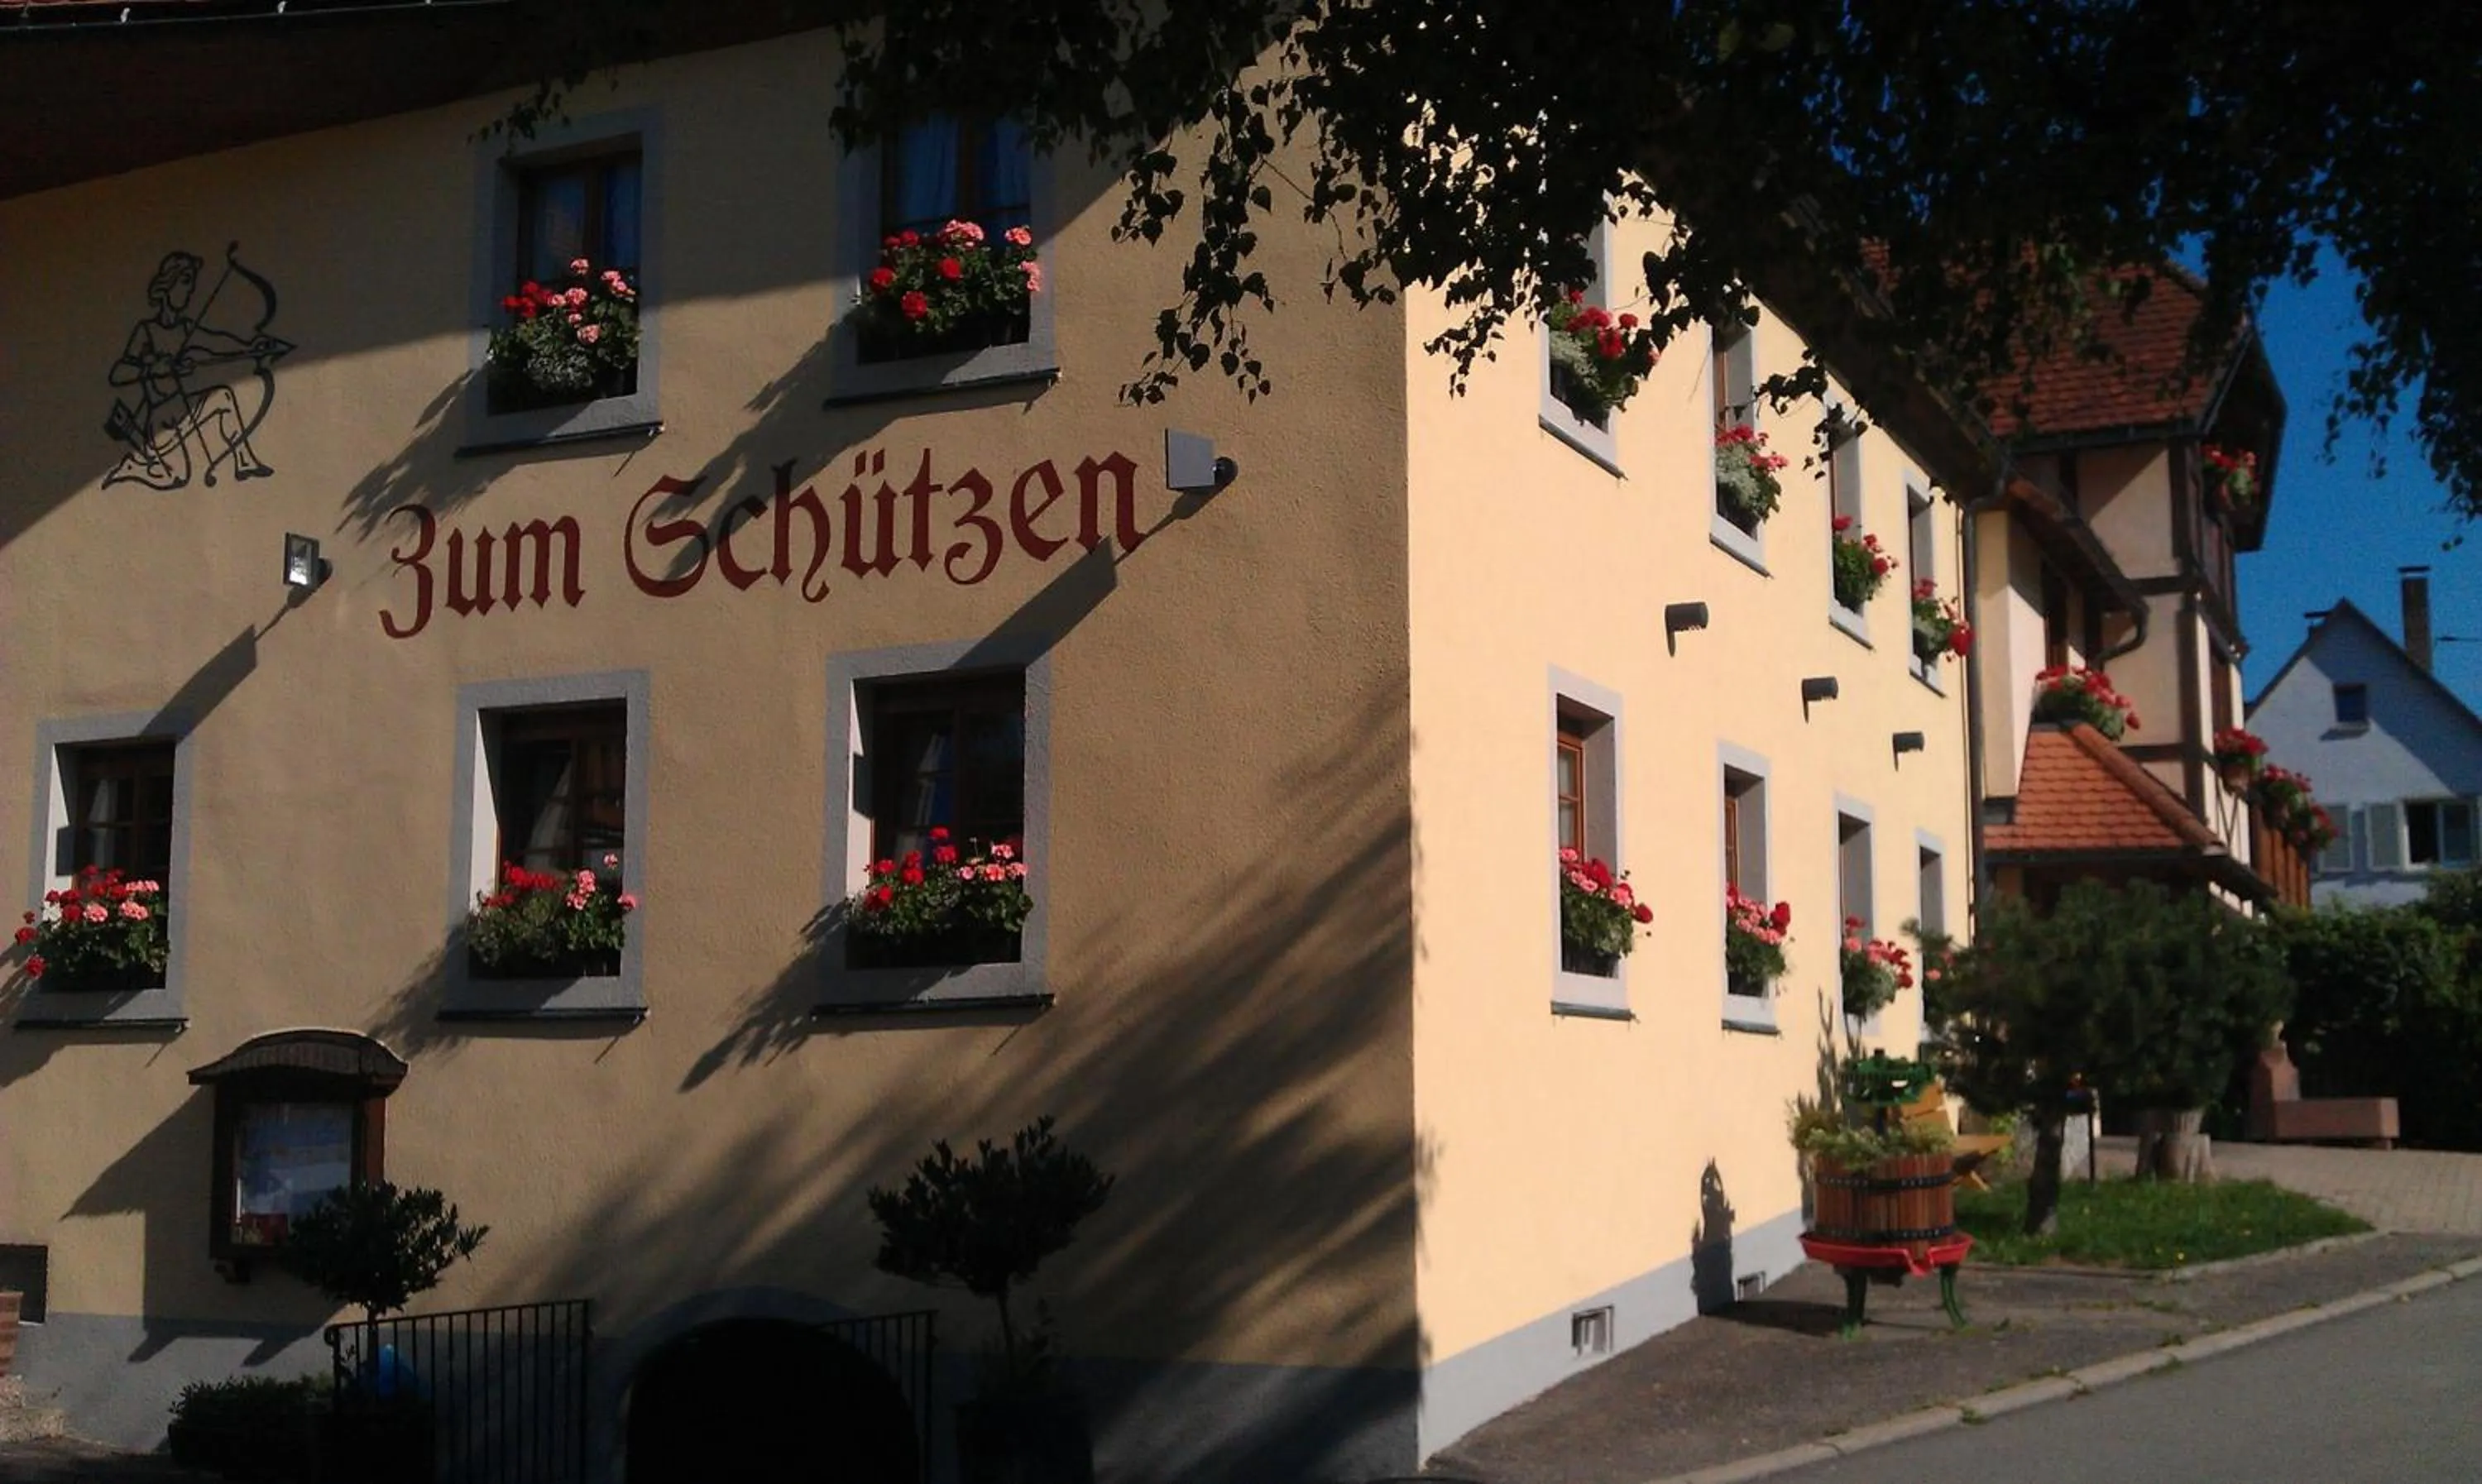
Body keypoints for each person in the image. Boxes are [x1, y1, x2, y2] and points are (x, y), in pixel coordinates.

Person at [104, 250, 284, 489]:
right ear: (167, 286)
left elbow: (217, 342)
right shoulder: (147, 330)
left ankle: (243, 461)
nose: (190, 291)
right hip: (161, 420)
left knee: (224, 396)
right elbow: (119, 373)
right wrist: (153, 367)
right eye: (185, 282)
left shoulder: (185, 328)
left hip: (183, 409)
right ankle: (133, 466)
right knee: (176, 478)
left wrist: (250, 348)